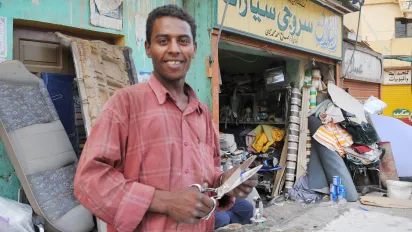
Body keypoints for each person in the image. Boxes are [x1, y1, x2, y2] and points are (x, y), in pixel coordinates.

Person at [74, 4, 257, 232]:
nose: (174, 49)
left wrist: (225, 184)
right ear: (148, 48)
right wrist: (164, 201)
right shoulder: (125, 104)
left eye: (182, 41)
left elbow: (207, 180)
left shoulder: (202, 114)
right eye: (163, 41)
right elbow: (88, 180)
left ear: (194, 48)